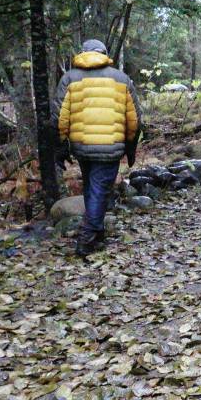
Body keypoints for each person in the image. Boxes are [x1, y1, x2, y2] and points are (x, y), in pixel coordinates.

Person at [53, 39, 142, 257]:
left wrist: (61, 145)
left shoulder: (69, 78)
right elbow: (134, 118)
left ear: (82, 53)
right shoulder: (121, 79)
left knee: (93, 189)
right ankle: (86, 240)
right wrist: (131, 145)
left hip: (82, 146)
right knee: (100, 191)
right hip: (110, 147)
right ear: (104, 53)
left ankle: (98, 233)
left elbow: (59, 117)